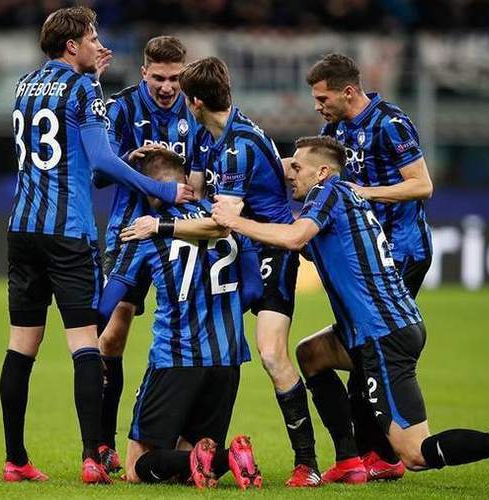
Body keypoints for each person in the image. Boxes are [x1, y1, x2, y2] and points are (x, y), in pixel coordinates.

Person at [212, 135, 489, 495]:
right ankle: (348, 462)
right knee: (311, 354)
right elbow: (306, 242)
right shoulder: (337, 199)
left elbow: (295, 238)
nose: (289, 173)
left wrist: (235, 221)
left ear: (323, 171)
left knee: (415, 453)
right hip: (373, 326)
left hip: (382, 333)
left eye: (297, 166)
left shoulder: (329, 192)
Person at [1, 7, 193, 484]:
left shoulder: (25, 84)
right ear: (73, 45)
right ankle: (93, 456)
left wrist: (93, 83)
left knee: (21, 346)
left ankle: (15, 459)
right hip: (68, 231)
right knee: (86, 342)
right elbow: (103, 162)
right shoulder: (83, 89)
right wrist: (163, 189)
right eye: (92, 38)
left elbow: (68, 135)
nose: (98, 45)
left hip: (21, 227)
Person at [121, 56, 321, 486]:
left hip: (271, 250)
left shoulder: (238, 146)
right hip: (241, 250)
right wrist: (153, 169)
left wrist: (160, 225)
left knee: (272, 354)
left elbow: (220, 221)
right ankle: (224, 455)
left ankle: (307, 463)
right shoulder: (206, 134)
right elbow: (194, 193)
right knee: (216, 332)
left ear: (194, 102)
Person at [98, 149, 263, 490]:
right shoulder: (228, 223)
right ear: (186, 181)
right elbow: (254, 291)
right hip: (227, 358)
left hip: (175, 357)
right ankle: (231, 457)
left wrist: (87, 344)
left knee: (136, 467)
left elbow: (107, 305)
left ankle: (222, 456)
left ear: (146, 188)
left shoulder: (145, 232)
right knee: (191, 465)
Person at [307, 52, 434, 480]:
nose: (318, 107)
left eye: (323, 98)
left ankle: (380, 454)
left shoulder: (390, 124)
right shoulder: (334, 130)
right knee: (360, 348)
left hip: (402, 250)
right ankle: (373, 454)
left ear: (348, 91)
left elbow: (422, 185)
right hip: (367, 256)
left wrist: (363, 192)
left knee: (370, 349)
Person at [97, 35, 210, 473]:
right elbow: (98, 172)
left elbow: (205, 173)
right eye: (158, 77)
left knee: (189, 333)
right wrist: (129, 158)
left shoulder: (195, 111)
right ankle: (103, 443)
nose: (167, 87)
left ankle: (186, 438)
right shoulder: (121, 108)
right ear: (144, 72)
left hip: (183, 235)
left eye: (175, 78)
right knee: (112, 335)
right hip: (130, 234)